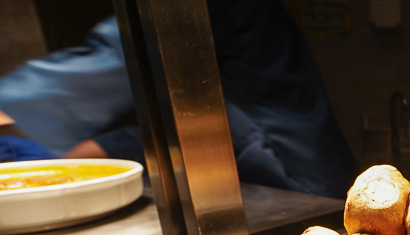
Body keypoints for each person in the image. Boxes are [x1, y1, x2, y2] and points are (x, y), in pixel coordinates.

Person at [0, 0, 358, 198]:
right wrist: (106, 145)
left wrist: (11, 101)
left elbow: (127, 53)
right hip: (283, 167)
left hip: (290, 175)